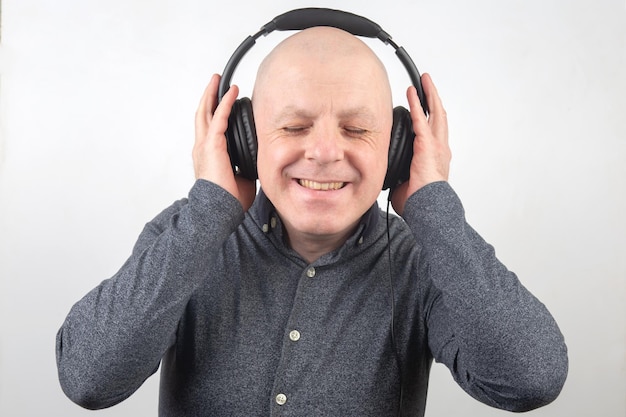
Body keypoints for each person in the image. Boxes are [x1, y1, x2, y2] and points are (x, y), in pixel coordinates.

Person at [56, 24, 568, 416]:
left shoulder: (426, 260)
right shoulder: (190, 236)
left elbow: (533, 378)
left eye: (358, 128)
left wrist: (433, 206)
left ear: (398, 147)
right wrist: (208, 211)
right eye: (295, 126)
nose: (324, 152)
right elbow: (88, 378)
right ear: (243, 138)